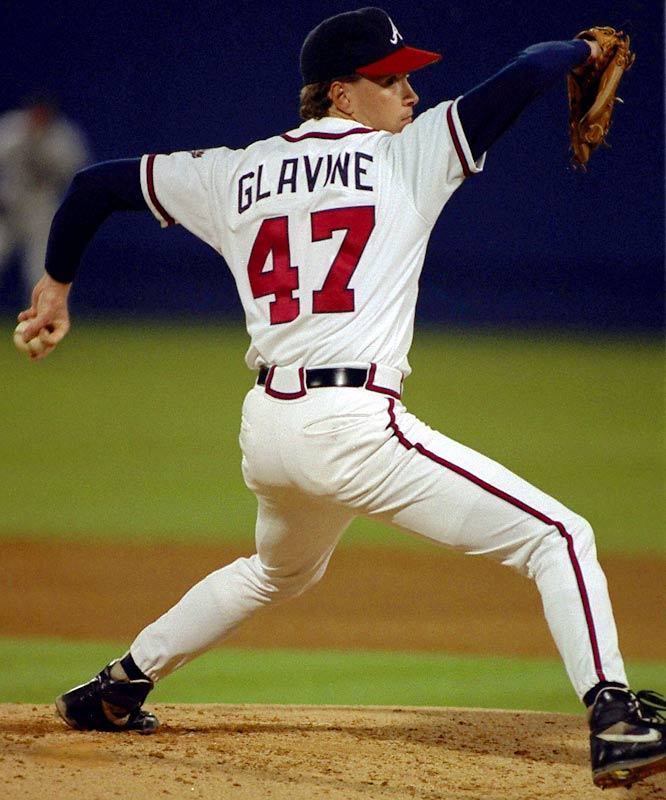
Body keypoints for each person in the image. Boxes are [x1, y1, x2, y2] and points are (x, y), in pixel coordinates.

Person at [16, 7, 665, 790]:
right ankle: (618, 718)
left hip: (270, 430)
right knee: (559, 536)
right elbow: (525, 72)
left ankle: (117, 686)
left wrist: (54, 286)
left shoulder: (234, 171)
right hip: (352, 427)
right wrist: (583, 48)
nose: (411, 93)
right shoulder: (407, 158)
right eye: (391, 79)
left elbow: (93, 188)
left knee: (276, 571)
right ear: (340, 94)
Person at [0, 93, 90, 303]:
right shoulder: (13, 129)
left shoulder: (63, 137)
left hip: (42, 207)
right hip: (9, 204)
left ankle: (42, 314)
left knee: (40, 269)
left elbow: (79, 172)